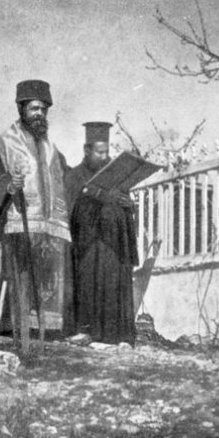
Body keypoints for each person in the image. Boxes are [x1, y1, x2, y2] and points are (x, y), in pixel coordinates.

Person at [0, 79, 73, 346]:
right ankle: (12, 329)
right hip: (16, 225)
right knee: (19, 277)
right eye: (34, 108)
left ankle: (46, 331)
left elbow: (67, 179)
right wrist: (9, 184)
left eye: (43, 109)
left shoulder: (52, 150)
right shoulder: (4, 144)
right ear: (21, 109)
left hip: (49, 229)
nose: (39, 114)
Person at [65, 122, 138, 345]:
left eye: (107, 152)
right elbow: (71, 212)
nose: (105, 157)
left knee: (114, 286)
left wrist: (128, 205)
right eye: (99, 152)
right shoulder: (74, 176)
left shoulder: (116, 176)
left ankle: (116, 335)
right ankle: (88, 332)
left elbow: (124, 206)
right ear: (87, 150)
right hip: (89, 247)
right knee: (90, 286)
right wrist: (95, 196)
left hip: (114, 246)